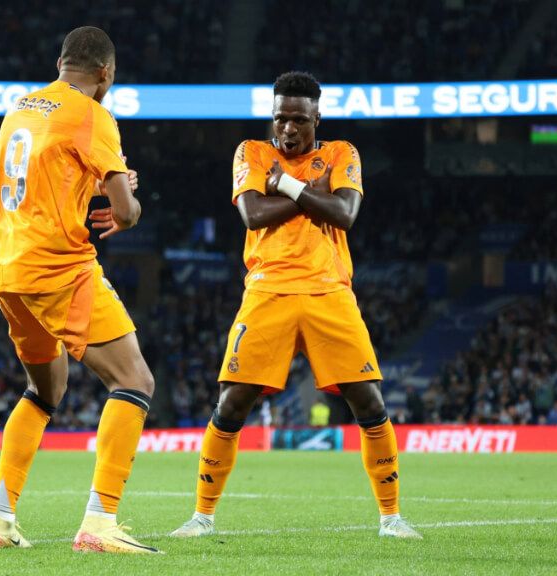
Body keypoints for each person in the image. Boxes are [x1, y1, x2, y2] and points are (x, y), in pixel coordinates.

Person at [171, 72, 421, 540]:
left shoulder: (343, 153)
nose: (288, 128)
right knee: (232, 403)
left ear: (317, 118)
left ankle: (392, 517)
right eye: (281, 117)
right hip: (267, 290)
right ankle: (202, 516)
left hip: (330, 290)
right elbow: (252, 214)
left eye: (299, 120)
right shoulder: (250, 152)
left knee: (368, 401)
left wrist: (284, 186)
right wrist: (312, 194)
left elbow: (345, 215)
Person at [0, 26, 159, 554]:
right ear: (105, 74)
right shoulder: (93, 114)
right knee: (135, 379)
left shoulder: (21, 107)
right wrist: (127, 209)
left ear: (60, 63)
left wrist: (95, 182)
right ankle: (100, 523)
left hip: (6, 269)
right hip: (58, 267)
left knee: (45, 391)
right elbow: (124, 211)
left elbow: (39, 176)